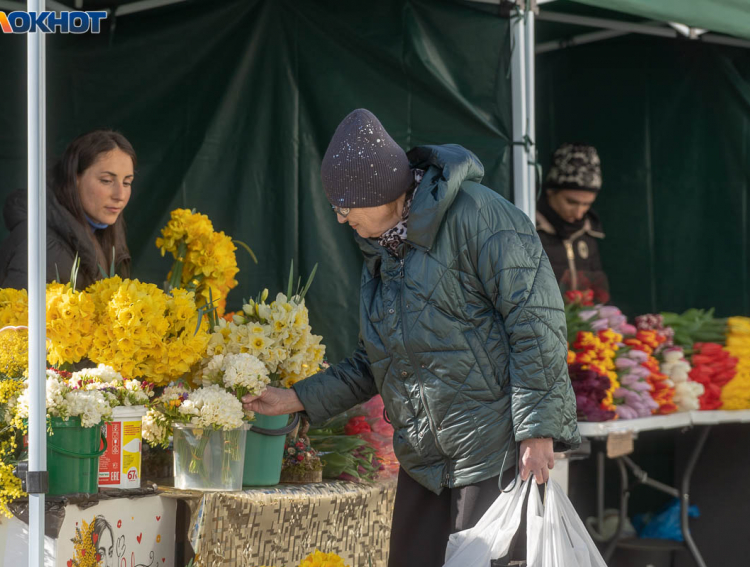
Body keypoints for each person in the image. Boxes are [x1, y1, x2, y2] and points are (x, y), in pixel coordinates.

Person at [243, 109, 579, 566]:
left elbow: (536, 321)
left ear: (379, 193)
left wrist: (538, 430)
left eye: (344, 206)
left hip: (492, 457)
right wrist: (293, 398)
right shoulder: (383, 251)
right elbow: (374, 360)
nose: (340, 220)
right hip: (425, 465)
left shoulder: (478, 215)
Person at [0, 128, 135, 293]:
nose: (120, 195)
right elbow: (16, 317)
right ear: (74, 179)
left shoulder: (101, 233)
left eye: (127, 182)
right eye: (106, 181)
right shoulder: (41, 244)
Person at [535, 143, 610, 304]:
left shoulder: (589, 231)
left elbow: (598, 294)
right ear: (550, 191)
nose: (579, 213)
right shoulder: (529, 229)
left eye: (587, 204)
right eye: (571, 202)